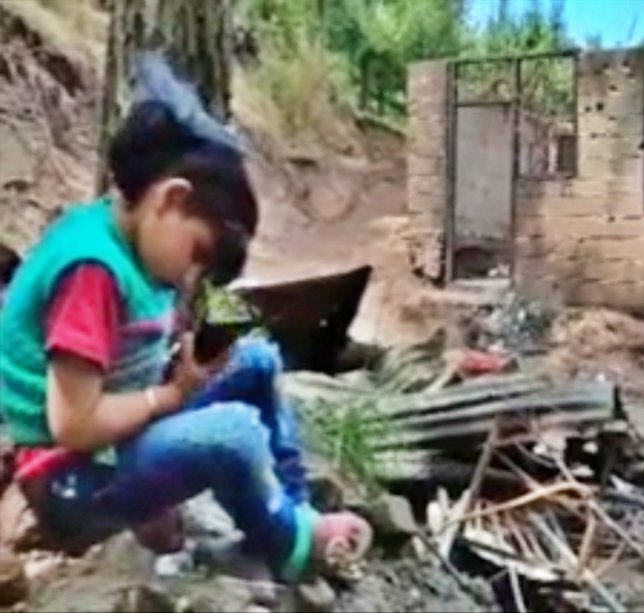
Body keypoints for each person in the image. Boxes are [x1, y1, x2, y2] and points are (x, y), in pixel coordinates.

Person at [0, 54, 371, 582]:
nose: (192, 276)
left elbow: (136, 347)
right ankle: (291, 548)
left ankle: (295, 509)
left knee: (259, 360)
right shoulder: (91, 270)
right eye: (198, 254)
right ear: (171, 201)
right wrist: (170, 399)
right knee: (234, 434)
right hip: (72, 479)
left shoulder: (135, 251)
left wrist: (190, 365)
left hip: (119, 443)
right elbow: (74, 425)